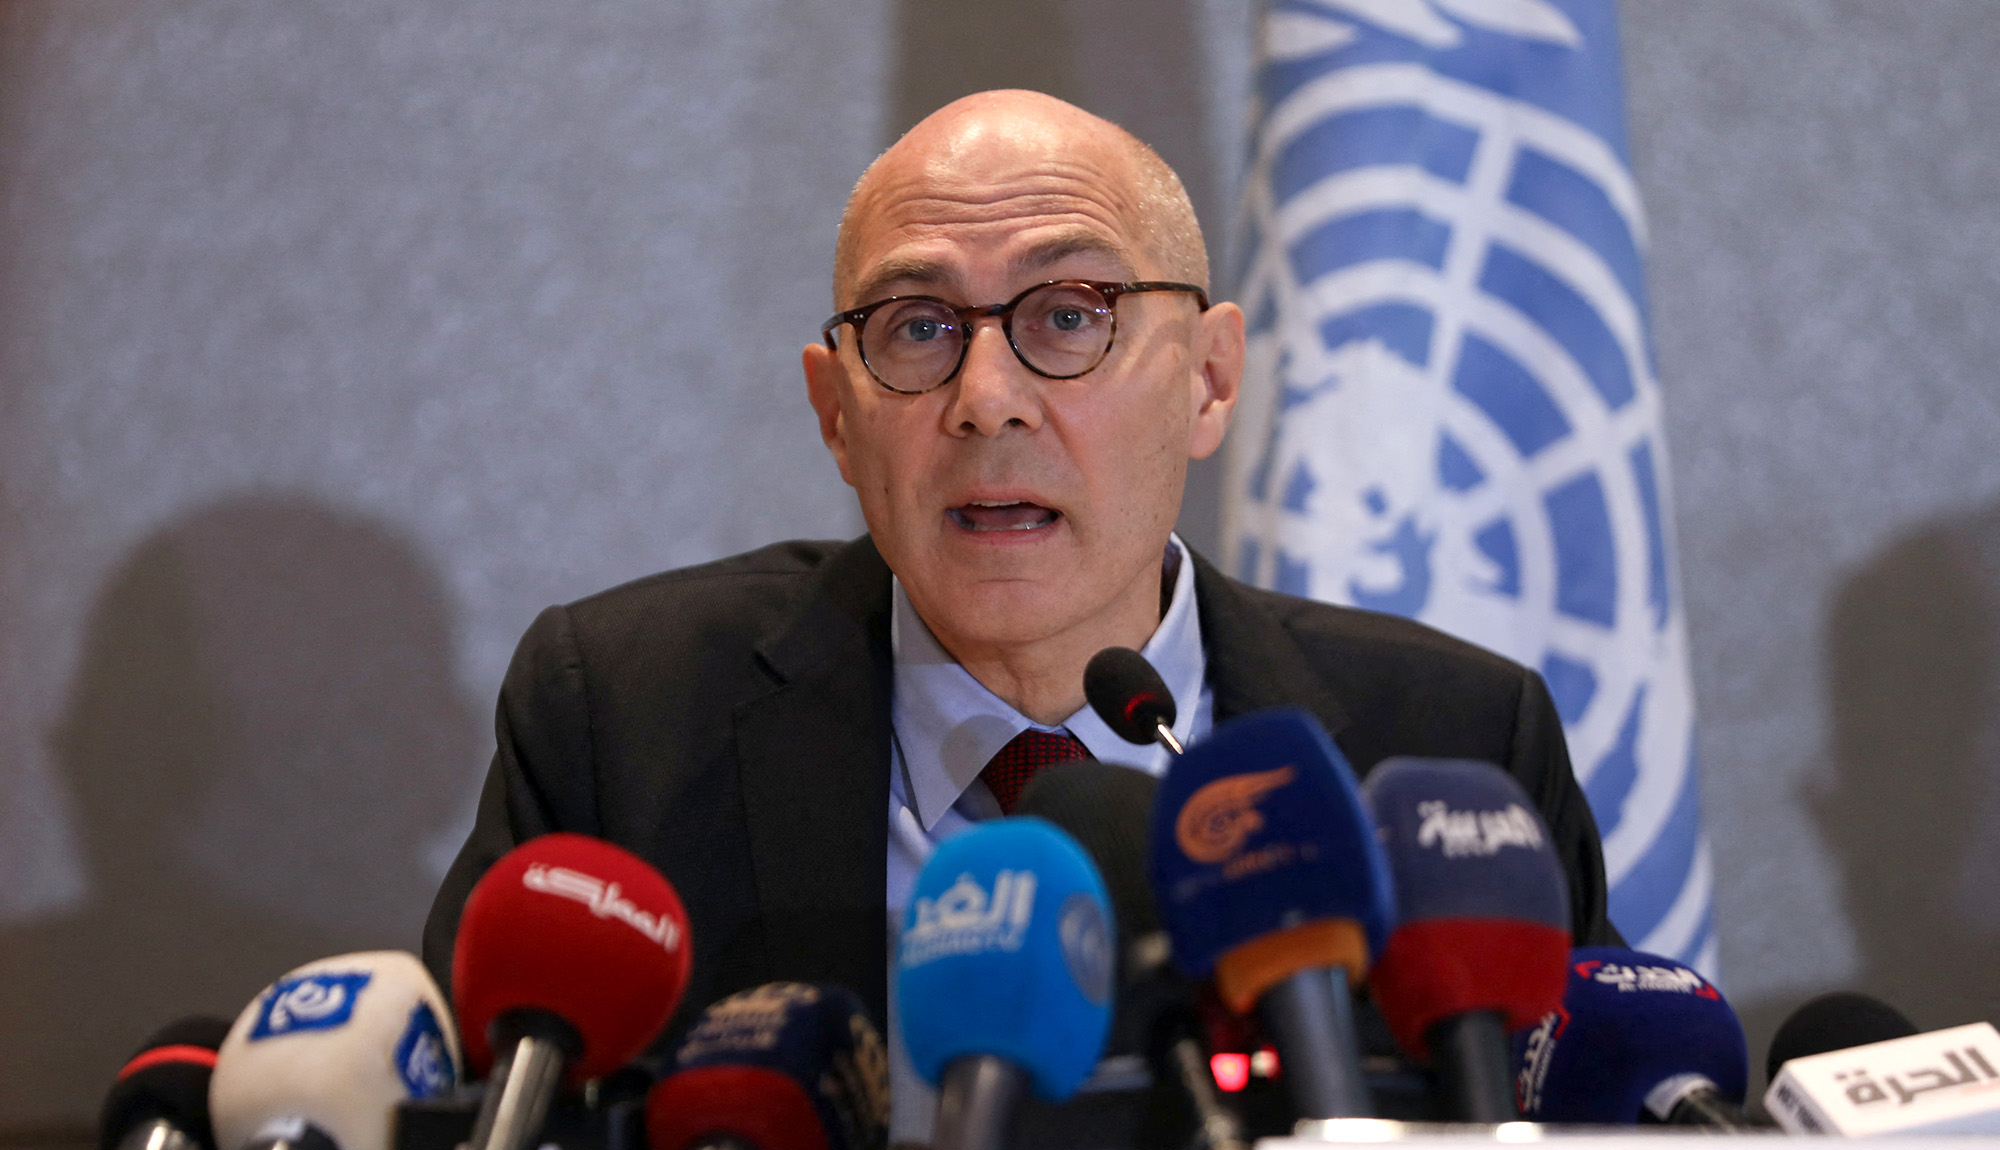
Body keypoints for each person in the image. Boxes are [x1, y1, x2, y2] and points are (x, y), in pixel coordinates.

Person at [424, 86, 1615, 1086]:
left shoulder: (1455, 746)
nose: (985, 396)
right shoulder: (621, 719)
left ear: (1206, 381)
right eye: (917, 327)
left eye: (1066, 315)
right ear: (835, 417)